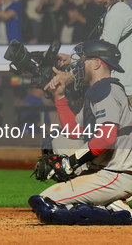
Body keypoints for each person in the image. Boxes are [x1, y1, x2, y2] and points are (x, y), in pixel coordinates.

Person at [29, 40, 132, 225]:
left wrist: (71, 162)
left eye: (83, 60)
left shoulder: (105, 89)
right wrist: (59, 97)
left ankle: (120, 213)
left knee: (46, 205)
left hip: (116, 173)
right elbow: (74, 132)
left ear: (97, 63)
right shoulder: (99, 90)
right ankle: (111, 203)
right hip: (106, 169)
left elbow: (106, 138)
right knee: (56, 141)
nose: (78, 65)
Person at [55, 0, 132, 102]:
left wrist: (68, 76)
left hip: (125, 92)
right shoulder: (114, 11)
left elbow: (101, 56)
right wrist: (71, 60)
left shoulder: (118, 12)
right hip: (121, 90)